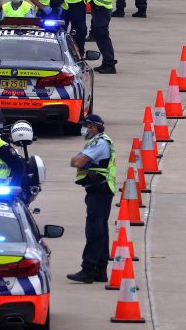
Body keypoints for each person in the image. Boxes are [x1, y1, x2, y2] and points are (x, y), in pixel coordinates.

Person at [66, 114, 116, 283]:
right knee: (101, 230)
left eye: (87, 126)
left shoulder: (99, 142)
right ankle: (100, 271)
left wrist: (81, 160)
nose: (84, 129)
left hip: (99, 190)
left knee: (94, 230)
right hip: (100, 190)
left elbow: (77, 162)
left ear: (94, 127)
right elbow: (77, 162)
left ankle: (88, 269)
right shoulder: (100, 141)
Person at [84, 0, 119, 74]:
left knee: (103, 37)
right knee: (102, 36)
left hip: (101, 9)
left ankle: (109, 64)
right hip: (105, 8)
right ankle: (106, 62)